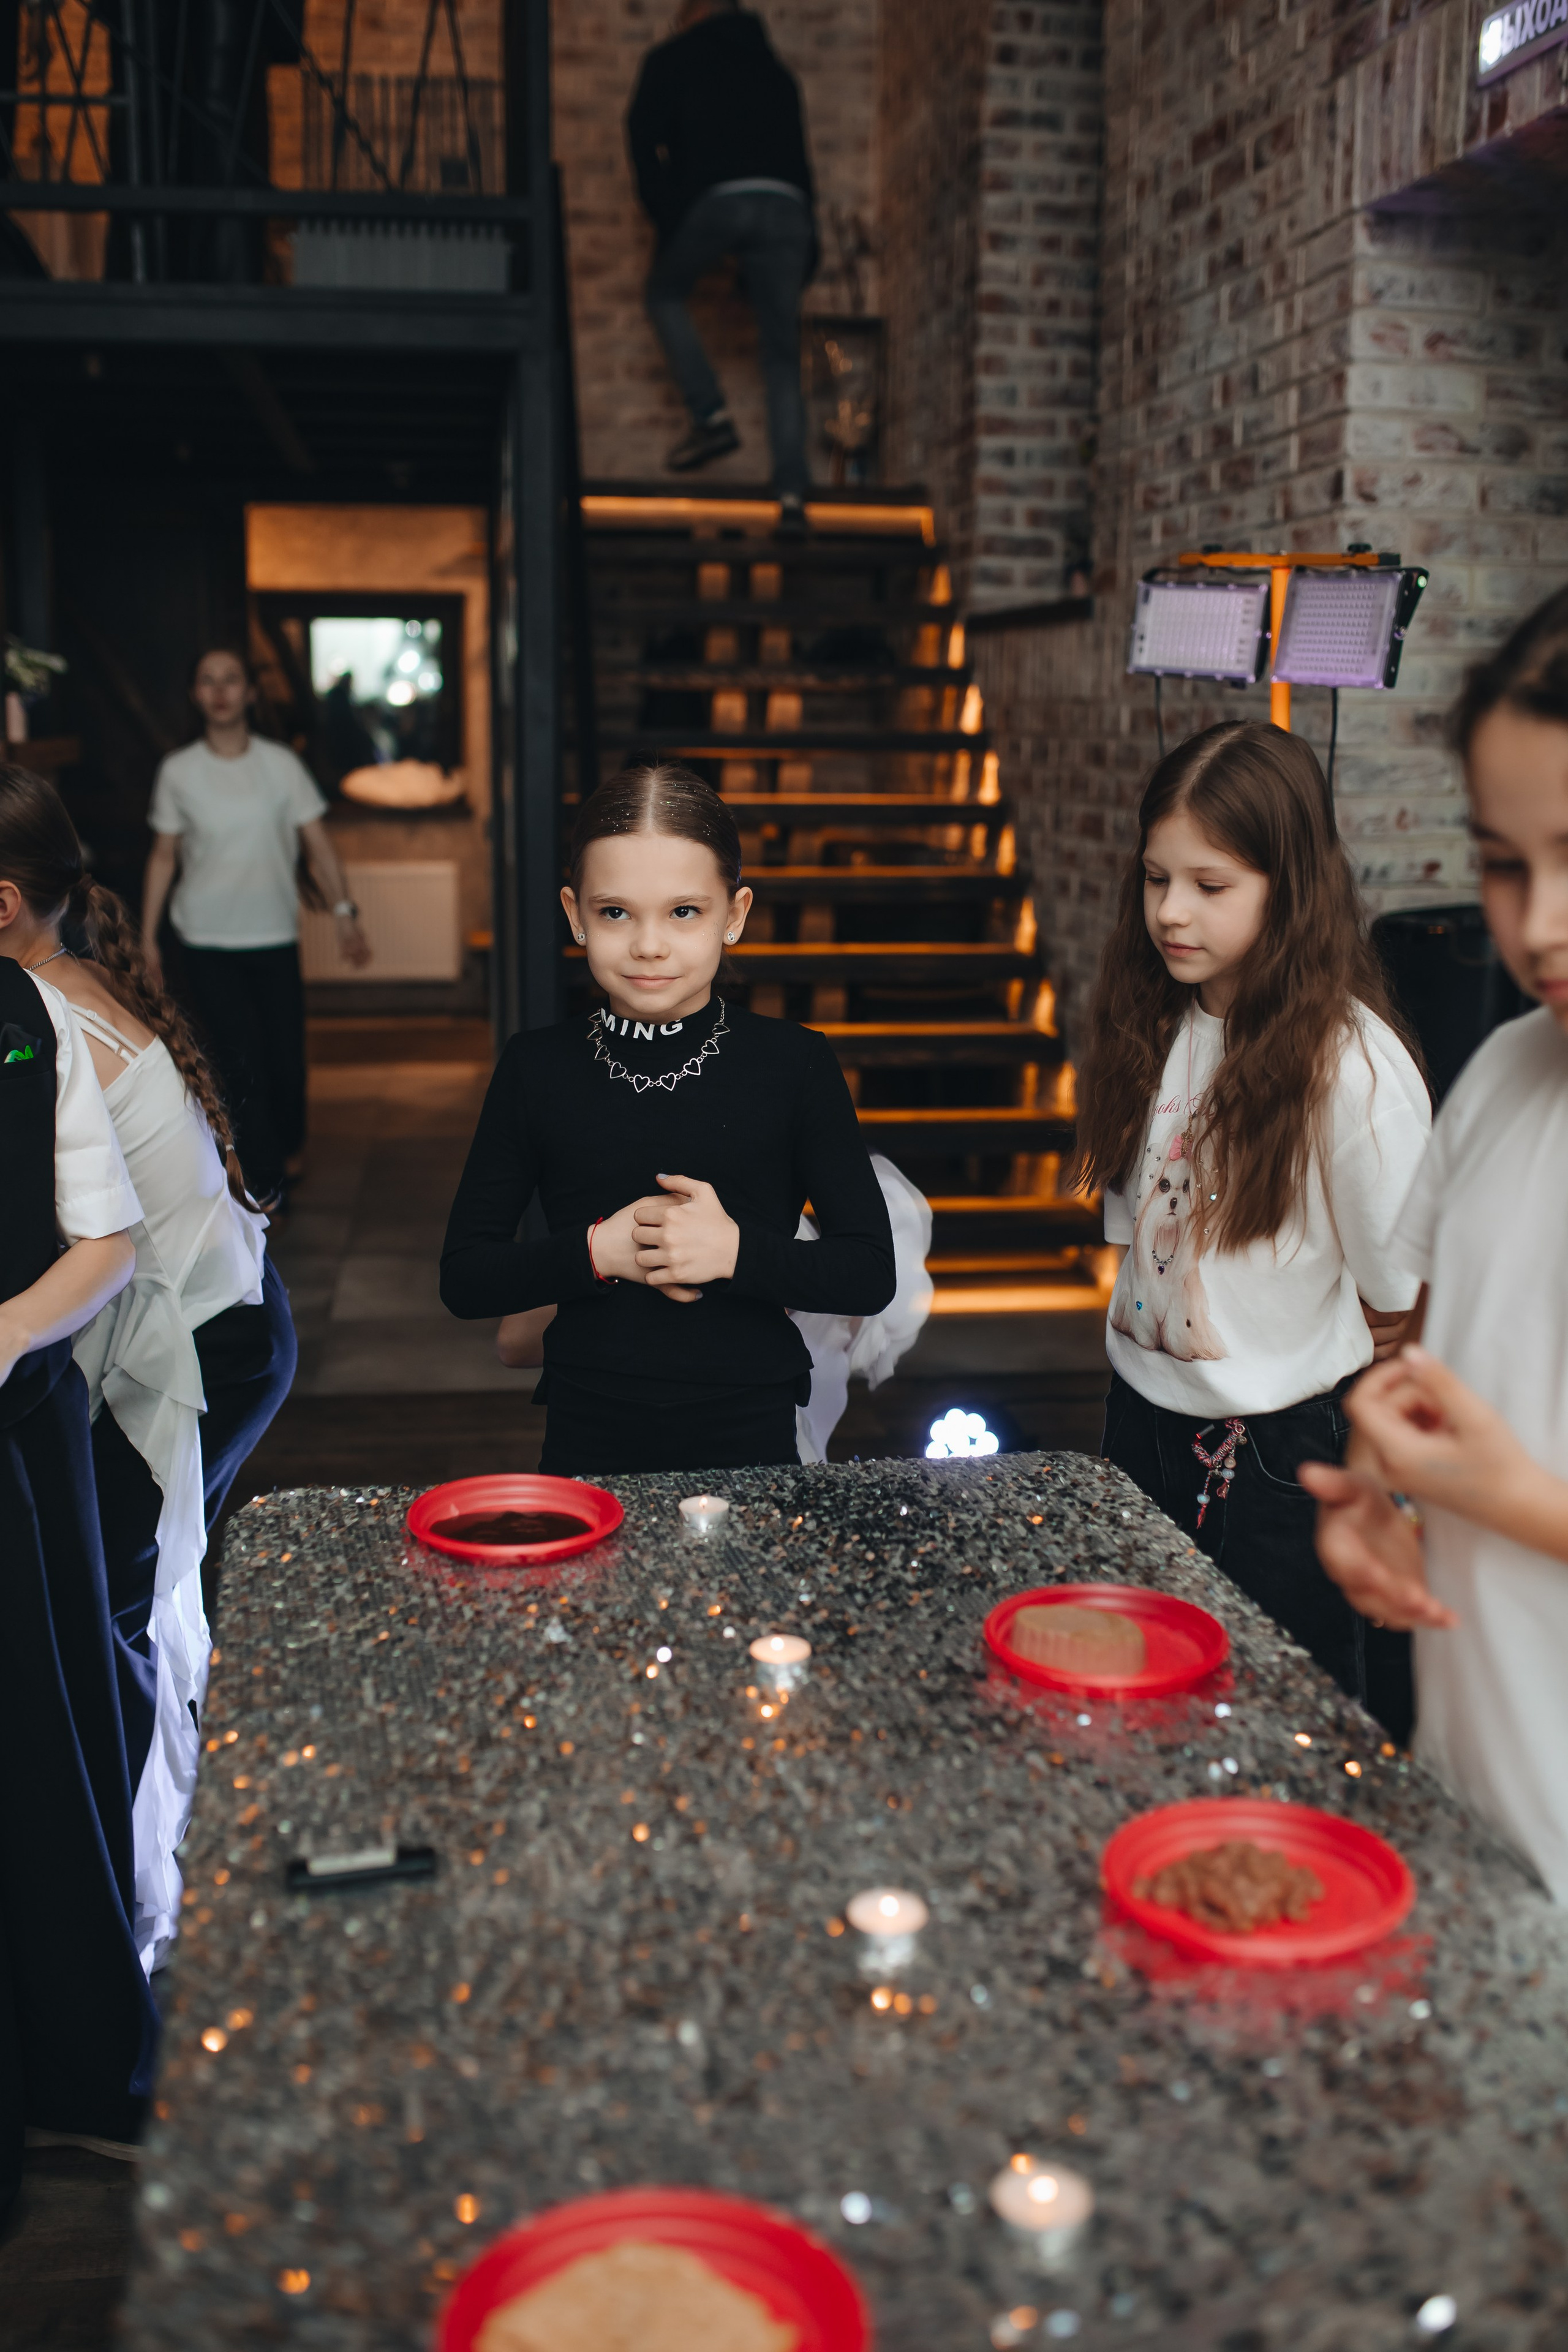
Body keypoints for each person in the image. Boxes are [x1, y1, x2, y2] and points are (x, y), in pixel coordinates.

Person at [1074, 721, 1431, 1724]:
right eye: (1156, 879)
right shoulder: (1150, 1019)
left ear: (1289, 885)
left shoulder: (1350, 1065)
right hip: (1137, 1417)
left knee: (1280, 1717)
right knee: (1144, 1699)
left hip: (1278, 1456)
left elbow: (1403, 1303)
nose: (1171, 912)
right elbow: (1134, 1239)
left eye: (1210, 885)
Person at [0, 767, 296, 1966]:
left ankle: (124, 1925)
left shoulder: (41, 1018)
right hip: (234, 1320)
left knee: (110, 1620)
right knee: (135, 1608)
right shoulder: (67, 977)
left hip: (206, 1350)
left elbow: (86, 1243)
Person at [1303, 586, 1568, 1899]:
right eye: (1504, 862)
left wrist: (1499, 1500)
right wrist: (1386, 1483)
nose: (1536, 928)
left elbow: (1511, 1473)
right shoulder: (1510, 1067)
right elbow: (1441, 1356)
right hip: (1479, 1816)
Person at [440, 763, 894, 1475]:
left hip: (750, 1431)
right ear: (574, 915)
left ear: (734, 915)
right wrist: (598, 1252)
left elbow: (867, 1273)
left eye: (684, 912)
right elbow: (466, 1277)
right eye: (615, 912)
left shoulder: (794, 1063)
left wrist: (734, 1252)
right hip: (587, 1430)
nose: (649, 944)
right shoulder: (537, 1068)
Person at [0, 874, 156, 2206]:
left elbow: (105, 1236)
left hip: (15, 1420)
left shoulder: (28, 1020)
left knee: (38, 1749)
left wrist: (8, 1328)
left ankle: (68, 2070)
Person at [140, 645, 371, 1209]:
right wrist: (146, 937)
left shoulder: (280, 766)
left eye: (231, 679)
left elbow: (318, 846)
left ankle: (288, 1151)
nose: (220, 690)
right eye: (208, 680)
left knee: (286, 1063)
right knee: (238, 1058)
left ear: (248, 692)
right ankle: (264, 1182)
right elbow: (164, 856)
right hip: (204, 939)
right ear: (197, 696)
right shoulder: (179, 771)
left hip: (273, 936)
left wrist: (346, 914)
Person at [628, 0, 817, 535]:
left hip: (717, 202)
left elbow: (643, 140)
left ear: (696, 14)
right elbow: (798, 166)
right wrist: (779, 265)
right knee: (781, 357)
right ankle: (792, 496)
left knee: (663, 294)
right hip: (788, 208)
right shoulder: (778, 75)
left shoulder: (673, 56)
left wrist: (670, 219)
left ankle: (710, 416)